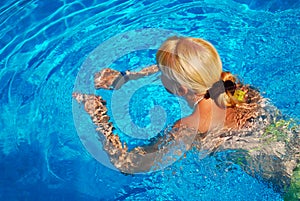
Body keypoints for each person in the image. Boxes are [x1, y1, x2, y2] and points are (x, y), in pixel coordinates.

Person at [73, 36, 299, 192]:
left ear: (181, 90)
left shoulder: (189, 127)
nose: (157, 73)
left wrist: (98, 116)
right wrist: (126, 78)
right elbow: (192, 75)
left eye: (161, 73)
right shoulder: (239, 89)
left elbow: (128, 165)